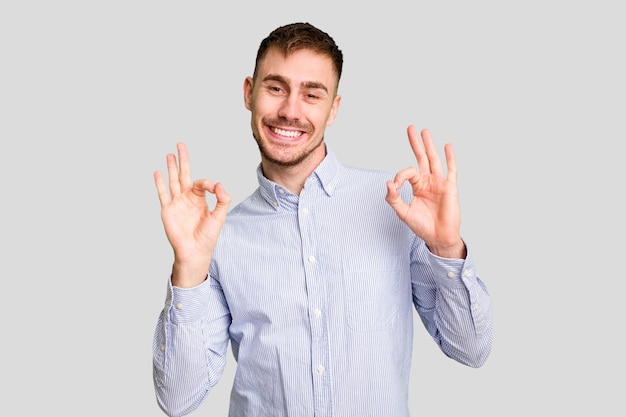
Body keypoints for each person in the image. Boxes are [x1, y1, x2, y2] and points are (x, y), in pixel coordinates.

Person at [152, 22, 493, 417]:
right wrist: (189, 270)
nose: (290, 111)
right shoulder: (217, 235)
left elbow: (470, 348)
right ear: (249, 92)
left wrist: (447, 248)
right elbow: (176, 399)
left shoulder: (399, 207)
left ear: (333, 108)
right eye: (275, 88)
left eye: (312, 94)